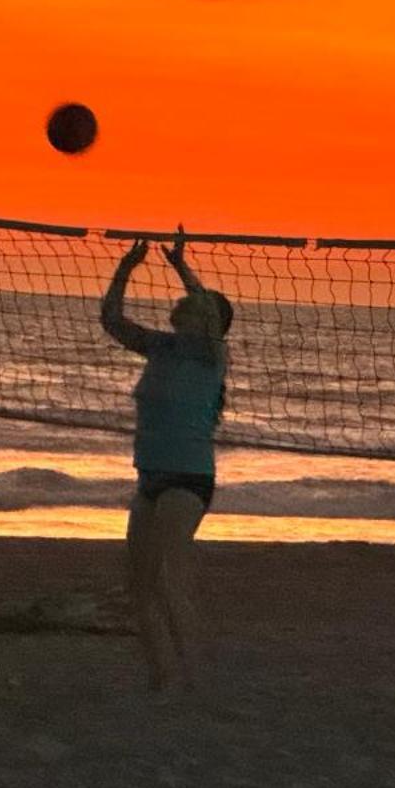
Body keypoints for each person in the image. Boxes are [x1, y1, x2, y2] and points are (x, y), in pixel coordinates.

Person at [101, 230, 232, 691]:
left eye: (196, 306)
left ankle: (193, 676)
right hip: (149, 476)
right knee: (138, 586)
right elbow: (112, 320)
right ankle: (163, 676)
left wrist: (182, 267)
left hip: (189, 477)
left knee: (169, 577)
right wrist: (126, 267)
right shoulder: (160, 348)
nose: (185, 304)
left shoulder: (211, 358)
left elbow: (213, 321)